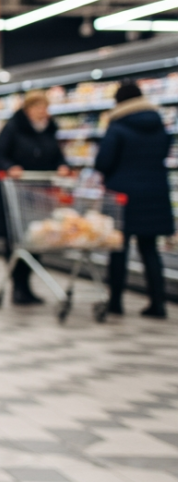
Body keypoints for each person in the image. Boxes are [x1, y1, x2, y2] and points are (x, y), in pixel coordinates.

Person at [95, 81, 174, 318]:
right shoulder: (159, 125)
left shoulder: (117, 127)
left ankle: (115, 302)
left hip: (123, 196)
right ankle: (158, 304)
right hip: (155, 193)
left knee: (118, 248)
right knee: (150, 250)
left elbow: (103, 162)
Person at [0, 90, 69, 304]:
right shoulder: (13, 128)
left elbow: (57, 155)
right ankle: (18, 286)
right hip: (15, 196)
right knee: (15, 240)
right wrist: (10, 167)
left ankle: (27, 287)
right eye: (39, 107)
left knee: (37, 239)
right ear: (28, 109)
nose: (43, 112)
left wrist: (62, 166)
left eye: (45, 107)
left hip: (40, 195)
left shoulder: (50, 130)